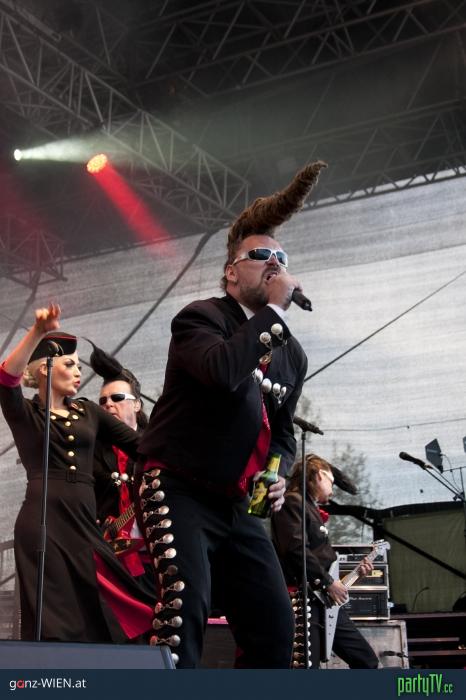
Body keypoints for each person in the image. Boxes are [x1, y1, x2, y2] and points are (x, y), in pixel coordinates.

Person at [135, 161, 327, 668]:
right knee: (183, 610)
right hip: (178, 485)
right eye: (260, 255)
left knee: (276, 626)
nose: (274, 263)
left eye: (281, 258)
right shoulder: (200, 318)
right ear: (231, 271)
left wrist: (278, 474)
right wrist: (275, 312)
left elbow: (282, 432)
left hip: (238, 503)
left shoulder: (291, 355)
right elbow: (222, 372)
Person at [0, 304, 153, 642]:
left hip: (83, 520)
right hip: (43, 519)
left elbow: (142, 444)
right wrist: (38, 332)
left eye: (78, 365)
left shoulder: (89, 412)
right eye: (69, 364)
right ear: (45, 369)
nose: (78, 371)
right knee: (53, 616)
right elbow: (6, 379)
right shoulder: (26, 413)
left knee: (108, 606)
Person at [271, 453, 379, 668]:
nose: (333, 489)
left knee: (367, 661)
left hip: (323, 601)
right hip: (304, 600)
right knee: (307, 667)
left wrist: (354, 574)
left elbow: (318, 557)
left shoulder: (309, 507)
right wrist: (328, 582)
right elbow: (295, 549)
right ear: (320, 475)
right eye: (331, 481)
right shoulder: (293, 501)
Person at [89, 343, 155, 600]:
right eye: (102, 401)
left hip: (157, 557)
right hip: (108, 559)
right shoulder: (91, 450)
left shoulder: (156, 446)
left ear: (137, 405)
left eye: (117, 398)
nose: (108, 404)